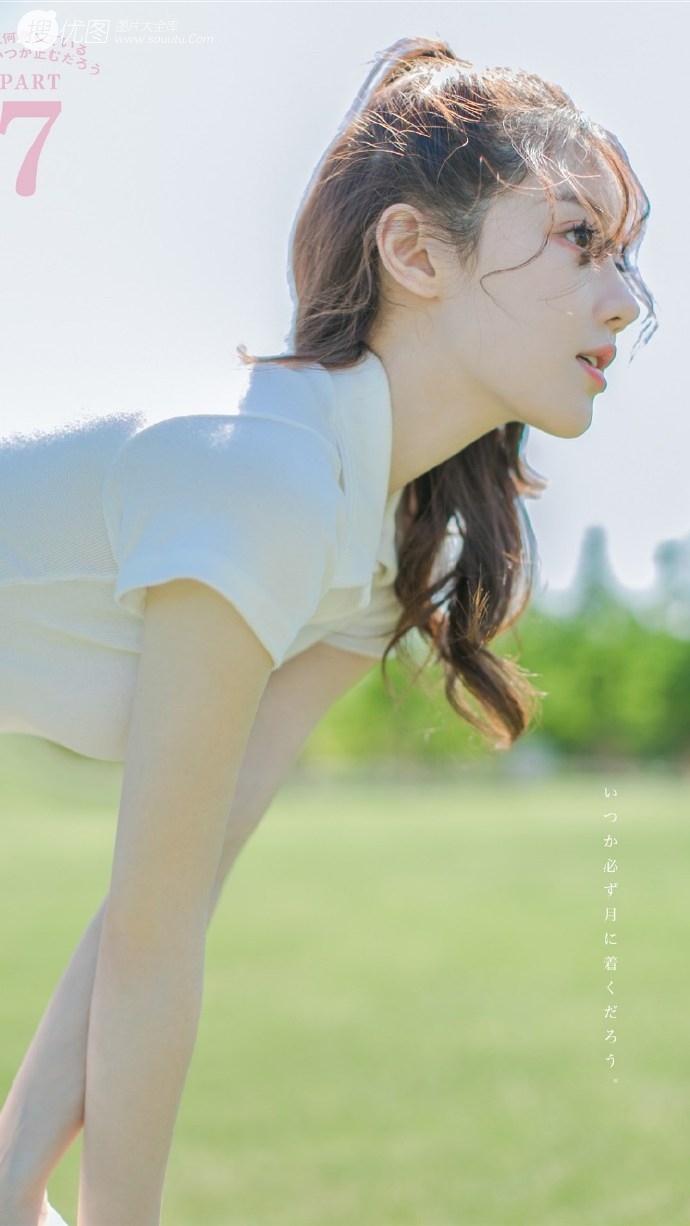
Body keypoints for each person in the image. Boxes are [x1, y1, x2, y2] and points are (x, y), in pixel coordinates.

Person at [0, 35, 654, 1226]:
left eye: (626, 257)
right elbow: (149, 941)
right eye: (579, 241)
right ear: (414, 251)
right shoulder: (267, 475)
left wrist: (14, 1182)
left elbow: (169, 898)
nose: (625, 298)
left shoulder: (371, 551)